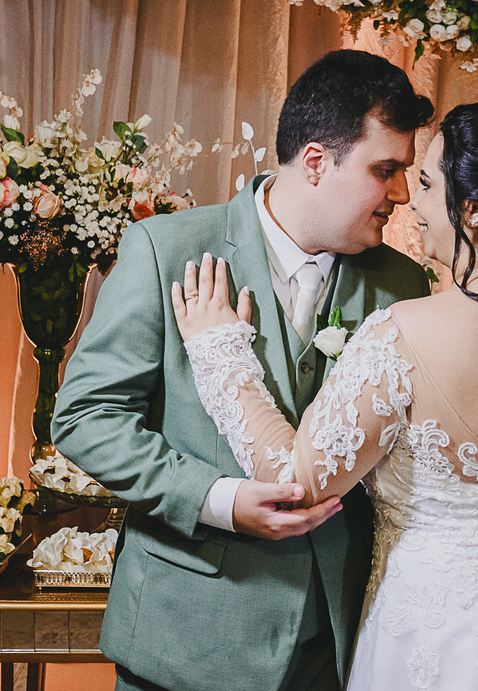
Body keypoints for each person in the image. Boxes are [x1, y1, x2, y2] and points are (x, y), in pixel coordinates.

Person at [171, 99, 478, 690]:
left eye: (427, 184)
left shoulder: (405, 333)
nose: (412, 202)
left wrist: (221, 353)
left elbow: (294, 483)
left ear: (474, 208)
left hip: (449, 631)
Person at [50, 49, 435, 691]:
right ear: (316, 162)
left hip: (338, 640)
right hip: (187, 639)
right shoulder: (166, 250)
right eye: (385, 170)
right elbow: (86, 418)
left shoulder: (402, 283)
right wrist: (216, 500)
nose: (400, 194)